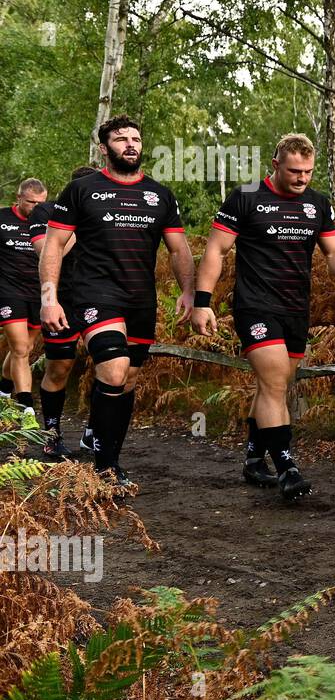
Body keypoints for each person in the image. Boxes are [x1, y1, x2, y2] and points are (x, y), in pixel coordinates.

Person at [192, 134, 335, 501]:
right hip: (255, 306)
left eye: (309, 172)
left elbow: (333, 251)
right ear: (275, 164)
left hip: (296, 308)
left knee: (276, 385)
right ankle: (287, 467)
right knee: (274, 383)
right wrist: (202, 301)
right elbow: (217, 250)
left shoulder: (317, 204)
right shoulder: (245, 197)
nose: (302, 178)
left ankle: (253, 459)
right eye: (294, 171)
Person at [39, 115, 196, 487]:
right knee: (112, 368)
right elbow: (54, 245)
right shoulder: (82, 190)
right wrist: (49, 298)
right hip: (95, 293)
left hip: (140, 299)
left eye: (136, 139)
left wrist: (190, 291)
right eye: (121, 138)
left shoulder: (160, 195)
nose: (130, 144)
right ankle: (106, 468)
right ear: (104, 147)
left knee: (126, 380)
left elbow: (178, 249)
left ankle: (106, 451)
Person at [29, 165, 98, 457]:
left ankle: (93, 433)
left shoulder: (102, 214)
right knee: (60, 367)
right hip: (62, 301)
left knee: (111, 367)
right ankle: (53, 433)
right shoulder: (45, 213)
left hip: (99, 299)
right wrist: (75, 223)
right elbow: (46, 250)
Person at [0, 178, 49, 430]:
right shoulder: (2, 219)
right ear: (18, 198)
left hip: (40, 294)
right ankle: (26, 408)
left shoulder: (48, 221)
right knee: (19, 348)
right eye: (31, 202)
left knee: (26, 348)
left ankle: (3, 391)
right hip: (8, 292)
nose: (36, 207)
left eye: (41, 202)